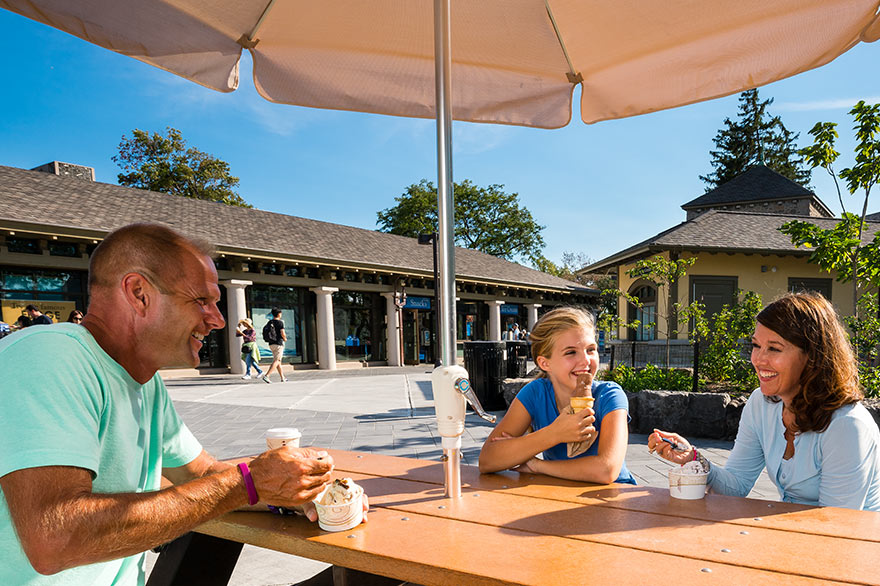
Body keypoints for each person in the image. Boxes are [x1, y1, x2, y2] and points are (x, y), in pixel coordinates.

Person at [0, 223, 362, 586]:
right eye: (201, 301)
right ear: (138, 293)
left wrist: (294, 493)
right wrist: (248, 484)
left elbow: (201, 473)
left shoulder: (145, 381)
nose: (218, 320)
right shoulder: (48, 355)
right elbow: (55, 538)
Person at [649, 292, 880, 511]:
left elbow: (835, 527)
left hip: (853, 545)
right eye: (756, 345)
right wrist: (693, 458)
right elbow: (736, 486)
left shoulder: (847, 425)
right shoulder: (762, 403)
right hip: (799, 537)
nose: (758, 359)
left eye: (774, 348)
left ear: (812, 356)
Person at [479, 306, 635, 484]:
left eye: (591, 349)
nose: (585, 361)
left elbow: (607, 470)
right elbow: (487, 460)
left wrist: (537, 466)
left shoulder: (609, 395)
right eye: (571, 352)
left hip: (614, 498)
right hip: (557, 496)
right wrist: (555, 433)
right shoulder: (535, 393)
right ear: (545, 363)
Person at [262, 308, 287, 383]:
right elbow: (282, 332)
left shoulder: (269, 322)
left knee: (278, 361)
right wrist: (285, 338)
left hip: (271, 343)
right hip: (278, 343)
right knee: (277, 360)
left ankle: (283, 377)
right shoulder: (280, 322)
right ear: (279, 314)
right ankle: (267, 375)